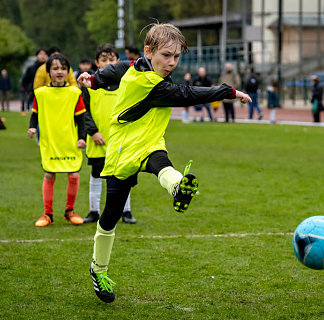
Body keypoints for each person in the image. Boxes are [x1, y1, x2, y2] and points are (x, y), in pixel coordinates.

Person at [78, 23, 251, 303]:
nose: (171, 63)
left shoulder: (139, 65)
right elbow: (188, 95)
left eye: (177, 56)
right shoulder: (149, 83)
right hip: (123, 147)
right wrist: (227, 91)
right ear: (149, 51)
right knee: (110, 216)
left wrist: (95, 79)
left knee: (162, 163)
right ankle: (98, 269)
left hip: (150, 140)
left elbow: (118, 68)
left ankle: (178, 188)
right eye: (166, 55)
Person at [27, 54, 87, 227]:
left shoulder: (75, 93)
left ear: (68, 71)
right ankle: (48, 214)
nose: (59, 72)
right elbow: (35, 115)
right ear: (48, 72)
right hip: (50, 142)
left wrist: (82, 138)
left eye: (63, 68)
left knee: (74, 175)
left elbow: (81, 119)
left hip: (70, 142)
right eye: (55, 68)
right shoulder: (41, 93)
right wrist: (32, 127)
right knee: (49, 173)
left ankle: (70, 211)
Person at [82, 43, 136, 224]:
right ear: (97, 63)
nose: (108, 63)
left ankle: (126, 211)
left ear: (118, 62)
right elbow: (84, 113)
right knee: (97, 175)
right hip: (99, 141)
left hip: (122, 141)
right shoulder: (89, 86)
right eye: (103, 60)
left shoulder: (126, 85)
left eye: (111, 60)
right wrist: (93, 132)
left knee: (123, 176)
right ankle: (94, 211)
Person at [21, 47, 48, 112]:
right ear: (37, 56)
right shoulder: (31, 69)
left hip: (47, 95)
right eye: (41, 54)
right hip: (34, 96)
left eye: (45, 54)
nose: (43, 56)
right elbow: (24, 81)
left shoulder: (50, 68)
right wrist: (29, 90)